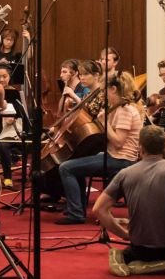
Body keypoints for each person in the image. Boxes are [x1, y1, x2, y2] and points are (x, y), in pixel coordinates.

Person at [92, 126, 165, 276]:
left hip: (140, 248)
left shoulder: (125, 174)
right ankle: (161, 266)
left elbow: (99, 209)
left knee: (132, 252)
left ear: (140, 148)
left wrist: (124, 234)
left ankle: (122, 257)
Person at [55, 72, 145, 225]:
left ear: (114, 89)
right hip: (113, 155)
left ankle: (76, 213)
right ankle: (77, 209)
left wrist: (104, 122)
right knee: (75, 164)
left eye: (104, 90)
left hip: (122, 160)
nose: (102, 94)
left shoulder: (125, 110)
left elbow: (118, 142)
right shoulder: (118, 108)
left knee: (66, 168)